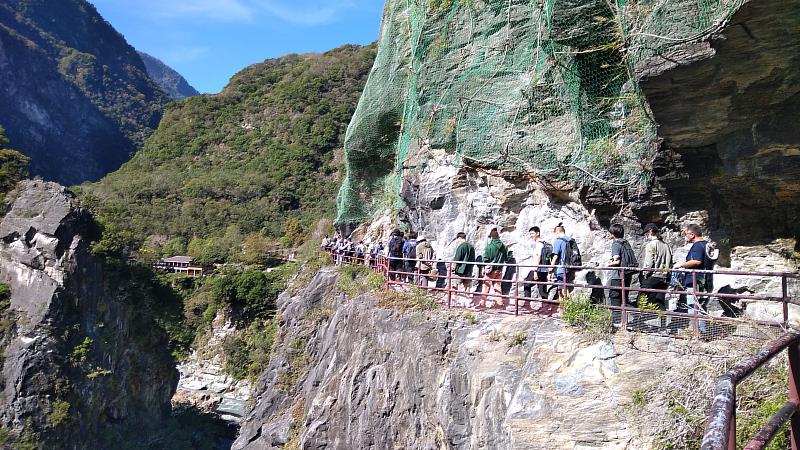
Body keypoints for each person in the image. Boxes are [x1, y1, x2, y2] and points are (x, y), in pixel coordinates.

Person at [673, 224, 716, 333]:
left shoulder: (697, 246)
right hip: (706, 280)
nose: (685, 236)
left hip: (696, 281)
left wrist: (682, 264)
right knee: (701, 306)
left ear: (692, 234)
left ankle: (698, 332)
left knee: (694, 307)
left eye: (686, 234)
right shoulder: (707, 245)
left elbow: (697, 261)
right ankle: (702, 331)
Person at [607, 223, 637, 325]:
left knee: (615, 297)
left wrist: (609, 264)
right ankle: (628, 320)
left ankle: (617, 322)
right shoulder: (625, 243)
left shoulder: (616, 244)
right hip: (627, 275)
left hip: (618, 276)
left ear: (613, 233)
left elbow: (617, 262)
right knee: (624, 298)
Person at [639, 223, 672, 312]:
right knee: (660, 302)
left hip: (653, 276)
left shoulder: (651, 245)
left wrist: (645, 274)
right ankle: (663, 323)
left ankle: (639, 323)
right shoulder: (666, 245)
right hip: (664, 277)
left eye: (646, 233)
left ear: (650, 232)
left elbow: (649, 263)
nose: (646, 235)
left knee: (641, 299)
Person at [480, 227, 508, 308]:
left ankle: (482, 303)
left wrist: (484, 267)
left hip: (490, 270)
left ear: (491, 237)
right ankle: (500, 303)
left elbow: (485, 258)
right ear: (498, 236)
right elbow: (506, 258)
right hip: (499, 269)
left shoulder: (489, 246)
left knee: (486, 286)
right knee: (497, 287)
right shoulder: (503, 246)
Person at [551, 223, 579, 300]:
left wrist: (550, 268)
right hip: (570, 268)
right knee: (568, 288)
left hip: (561, 268)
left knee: (562, 290)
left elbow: (555, 256)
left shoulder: (558, 241)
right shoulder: (571, 240)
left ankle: (566, 308)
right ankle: (569, 307)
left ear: (557, 232)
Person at [523, 226, 550, 301]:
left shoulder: (538, 244)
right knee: (542, 290)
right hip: (544, 269)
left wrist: (535, 271)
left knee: (526, 284)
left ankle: (527, 304)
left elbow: (538, 257)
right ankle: (547, 307)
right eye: (530, 234)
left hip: (538, 269)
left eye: (532, 233)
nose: (531, 235)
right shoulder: (544, 243)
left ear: (537, 233)